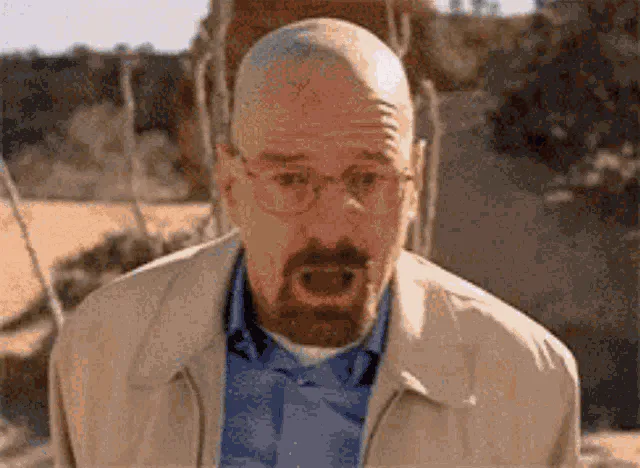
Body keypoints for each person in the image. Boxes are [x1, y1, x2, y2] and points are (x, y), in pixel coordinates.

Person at [49, 18, 580, 467]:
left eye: (368, 179)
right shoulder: (102, 353)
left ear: (414, 181)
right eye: (291, 180)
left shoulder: (528, 384)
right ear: (230, 183)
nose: (331, 229)